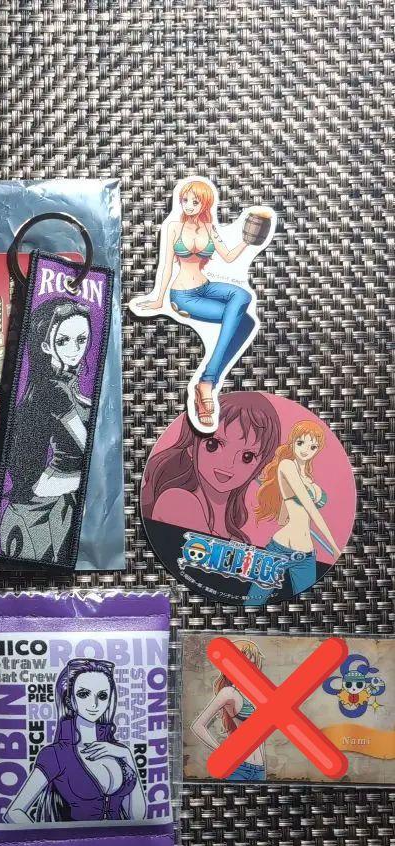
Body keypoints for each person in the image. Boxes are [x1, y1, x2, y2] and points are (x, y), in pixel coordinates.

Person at [132, 179, 264, 430]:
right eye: (185, 200)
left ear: (205, 203)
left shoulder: (209, 227)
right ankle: (207, 384)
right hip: (183, 295)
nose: (189, 205)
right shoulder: (173, 227)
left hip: (206, 287)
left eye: (195, 201)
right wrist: (159, 299)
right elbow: (166, 266)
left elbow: (228, 257)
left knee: (243, 301)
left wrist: (247, 240)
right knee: (242, 321)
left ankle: (206, 382)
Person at [0, 299, 94, 563]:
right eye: (63, 341)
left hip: (62, 494)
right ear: (45, 345)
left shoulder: (68, 385)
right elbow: (87, 446)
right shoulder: (53, 389)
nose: (75, 350)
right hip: (49, 499)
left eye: (82, 339)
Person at [4, 659, 145, 823]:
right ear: (69, 700)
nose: (94, 704)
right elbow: (13, 812)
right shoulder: (56, 755)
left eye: (102, 696)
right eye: (84, 694)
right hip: (73, 840)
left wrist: (127, 755)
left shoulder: (119, 752)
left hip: (120, 839)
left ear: (109, 700)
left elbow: (137, 816)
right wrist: (48, 838)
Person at [141, 393, 280, 544]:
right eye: (212, 445)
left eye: (247, 456)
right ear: (191, 447)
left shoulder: (234, 532)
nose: (228, 463)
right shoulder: (178, 501)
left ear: (260, 466)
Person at [245, 420, 340, 605]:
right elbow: (310, 508)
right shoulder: (287, 465)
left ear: (317, 450)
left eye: (312, 446)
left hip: (306, 555)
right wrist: (334, 546)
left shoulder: (307, 477)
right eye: (300, 442)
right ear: (292, 442)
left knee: (309, 606)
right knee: (253, 602)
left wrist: (288, 506)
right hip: (279, 550)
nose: (305, 450)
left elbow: (283, 518)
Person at [190, 640, 266, 781]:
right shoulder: (229, 692)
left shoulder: (259, 694)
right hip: (238, 767)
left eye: (252, 664)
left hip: (260, 769)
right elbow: (197, 725)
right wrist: (221, 752)